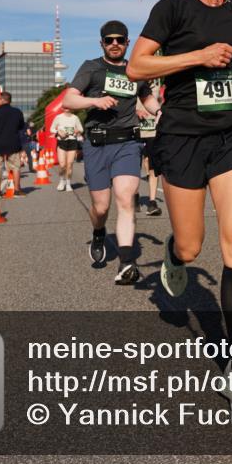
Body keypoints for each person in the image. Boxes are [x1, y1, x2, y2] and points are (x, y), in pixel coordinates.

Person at [127, 0, 232, 412]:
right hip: (183, 136)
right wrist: (197, 57)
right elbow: (136, 66)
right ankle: (174, 254)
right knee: (193, 245)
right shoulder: (171, 8)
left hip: (231, 134)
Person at [63, 21, 160, 285]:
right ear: (102, 43)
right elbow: (68, 100)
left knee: (126, 199)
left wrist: (159, 112)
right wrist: (94, 101)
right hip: (97, 145)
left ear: (128, 42)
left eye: (120, 39)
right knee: (101, 207)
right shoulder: (91, 67)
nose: (114, 43)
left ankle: (127, 262)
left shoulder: (135, 69)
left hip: (128, 143)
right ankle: (98, 231)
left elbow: (147, 97)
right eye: (109, 40)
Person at [0, 91, 26, 197]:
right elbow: (21, 126)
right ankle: (17, 190)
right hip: (13, 144)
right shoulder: (17, 112)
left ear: (3, 100)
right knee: (15, 167)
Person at [137, 102, 163, 216]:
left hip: (153, 132)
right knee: (133, 169)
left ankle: (152, 202)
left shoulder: (158, 83)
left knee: (153, 169)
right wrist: (136, 111)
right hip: (136, 131)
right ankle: (134, 196)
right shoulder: (134, 83)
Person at [50, 105, 83, 191]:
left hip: (72, 141)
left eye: (68, 107)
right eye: (65, 107)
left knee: (70, 164)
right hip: (62, 141)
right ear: (62, 108)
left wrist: (76, 130)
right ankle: (62, 181)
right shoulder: (58, 117)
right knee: (62, 164)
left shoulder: (75, 118)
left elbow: (81, 129)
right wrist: (58, 132)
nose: (67, 109)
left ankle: (68, 183)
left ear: (71, 108)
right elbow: (52, 129)